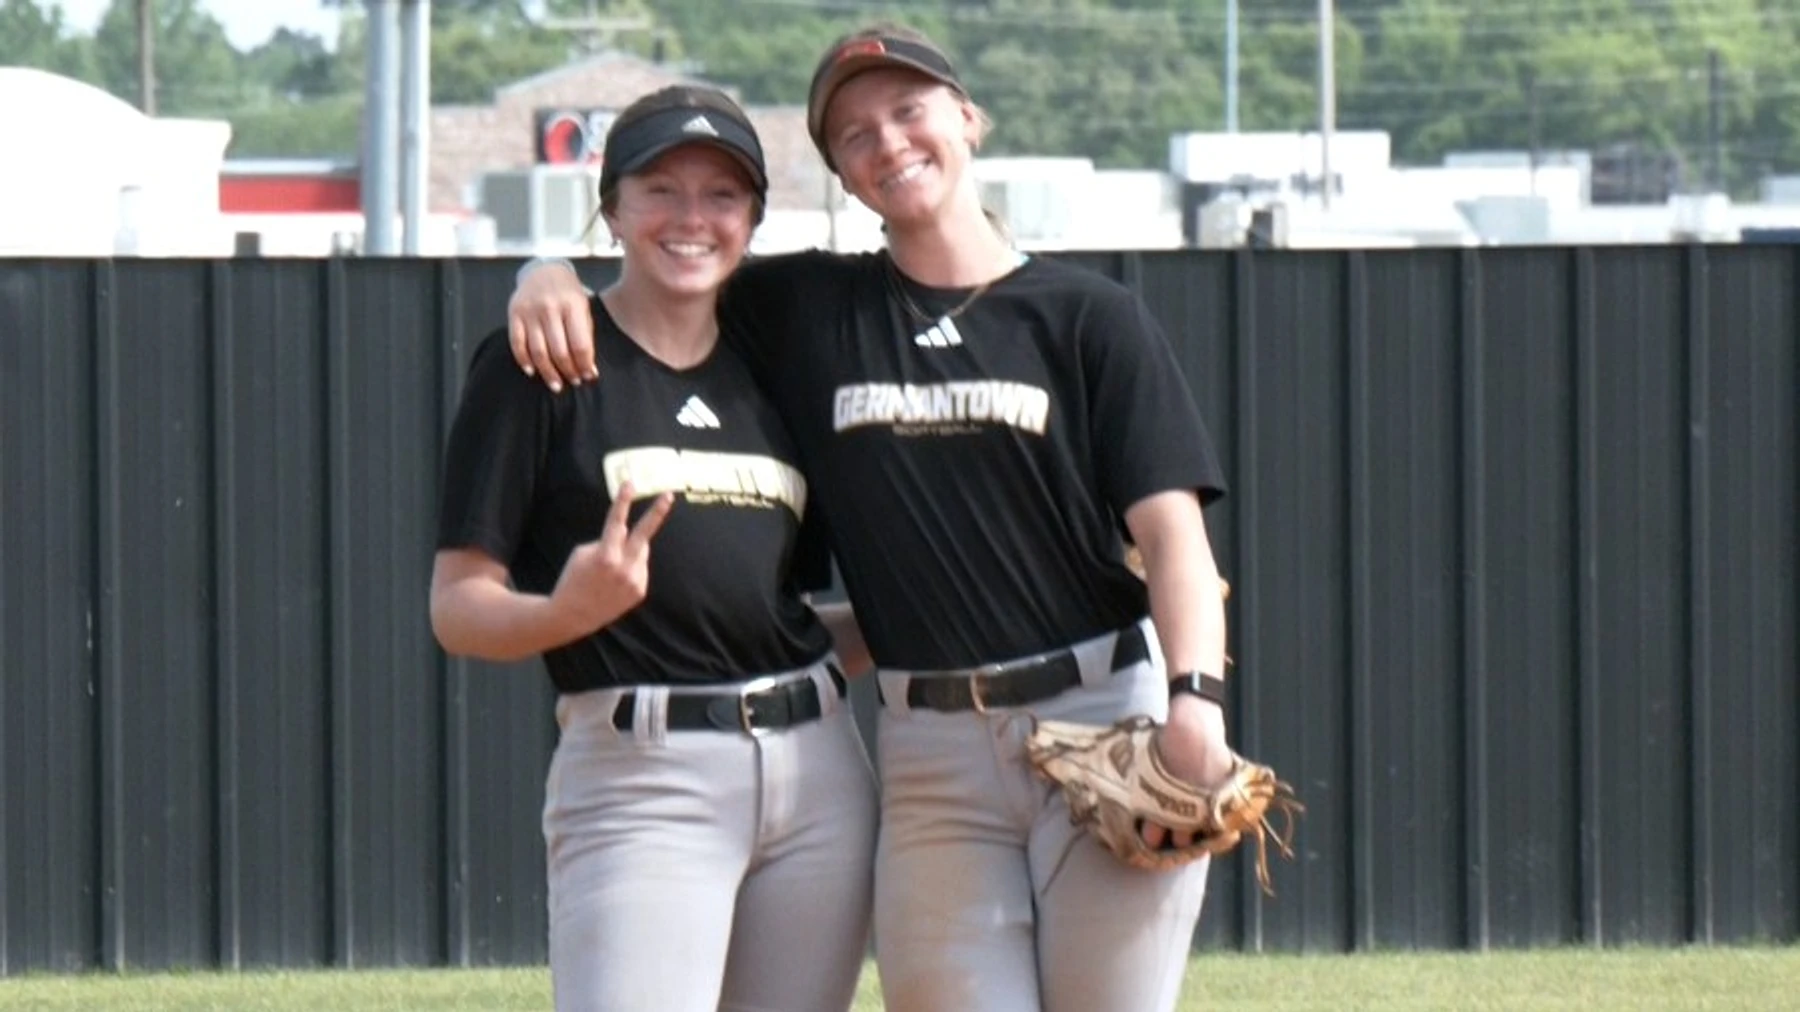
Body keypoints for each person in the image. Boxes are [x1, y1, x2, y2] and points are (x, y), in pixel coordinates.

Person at [505, 25, 1238, 1012]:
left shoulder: (1087, 317)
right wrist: (544, 273)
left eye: (909, 111)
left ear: (968, 120)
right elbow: (664, 264)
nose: (887, 142)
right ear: (842, 177)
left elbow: (1174, 537)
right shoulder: (810, 308)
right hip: (930, 753)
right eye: (853, 133)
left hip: (1102, 715)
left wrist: (1195, 701)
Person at [430, 84, 878, 1012]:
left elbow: (775, 614)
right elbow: (458, 607)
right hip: (643, 776)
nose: (691, 217)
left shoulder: (778, 369)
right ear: (612, 210)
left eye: (722, 195)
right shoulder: (545, 360)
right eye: (660, 189)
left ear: (754, 218)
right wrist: (564, 614)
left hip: (820, 775)